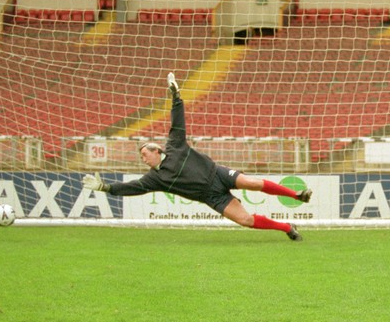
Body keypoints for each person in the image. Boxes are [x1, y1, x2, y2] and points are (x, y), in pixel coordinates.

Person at [82, 73, 311, 241]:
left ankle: (296, 195)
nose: (143, 159)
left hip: (217, 174)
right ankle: (287, 228)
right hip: (210, 196)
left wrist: (176, 95)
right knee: (246, 220)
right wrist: (105, 188)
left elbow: (178, 120)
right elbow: (131, 188)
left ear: (156, 151)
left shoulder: (175, 145)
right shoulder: (154, 178)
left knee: (251, 182)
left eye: (144, 154)